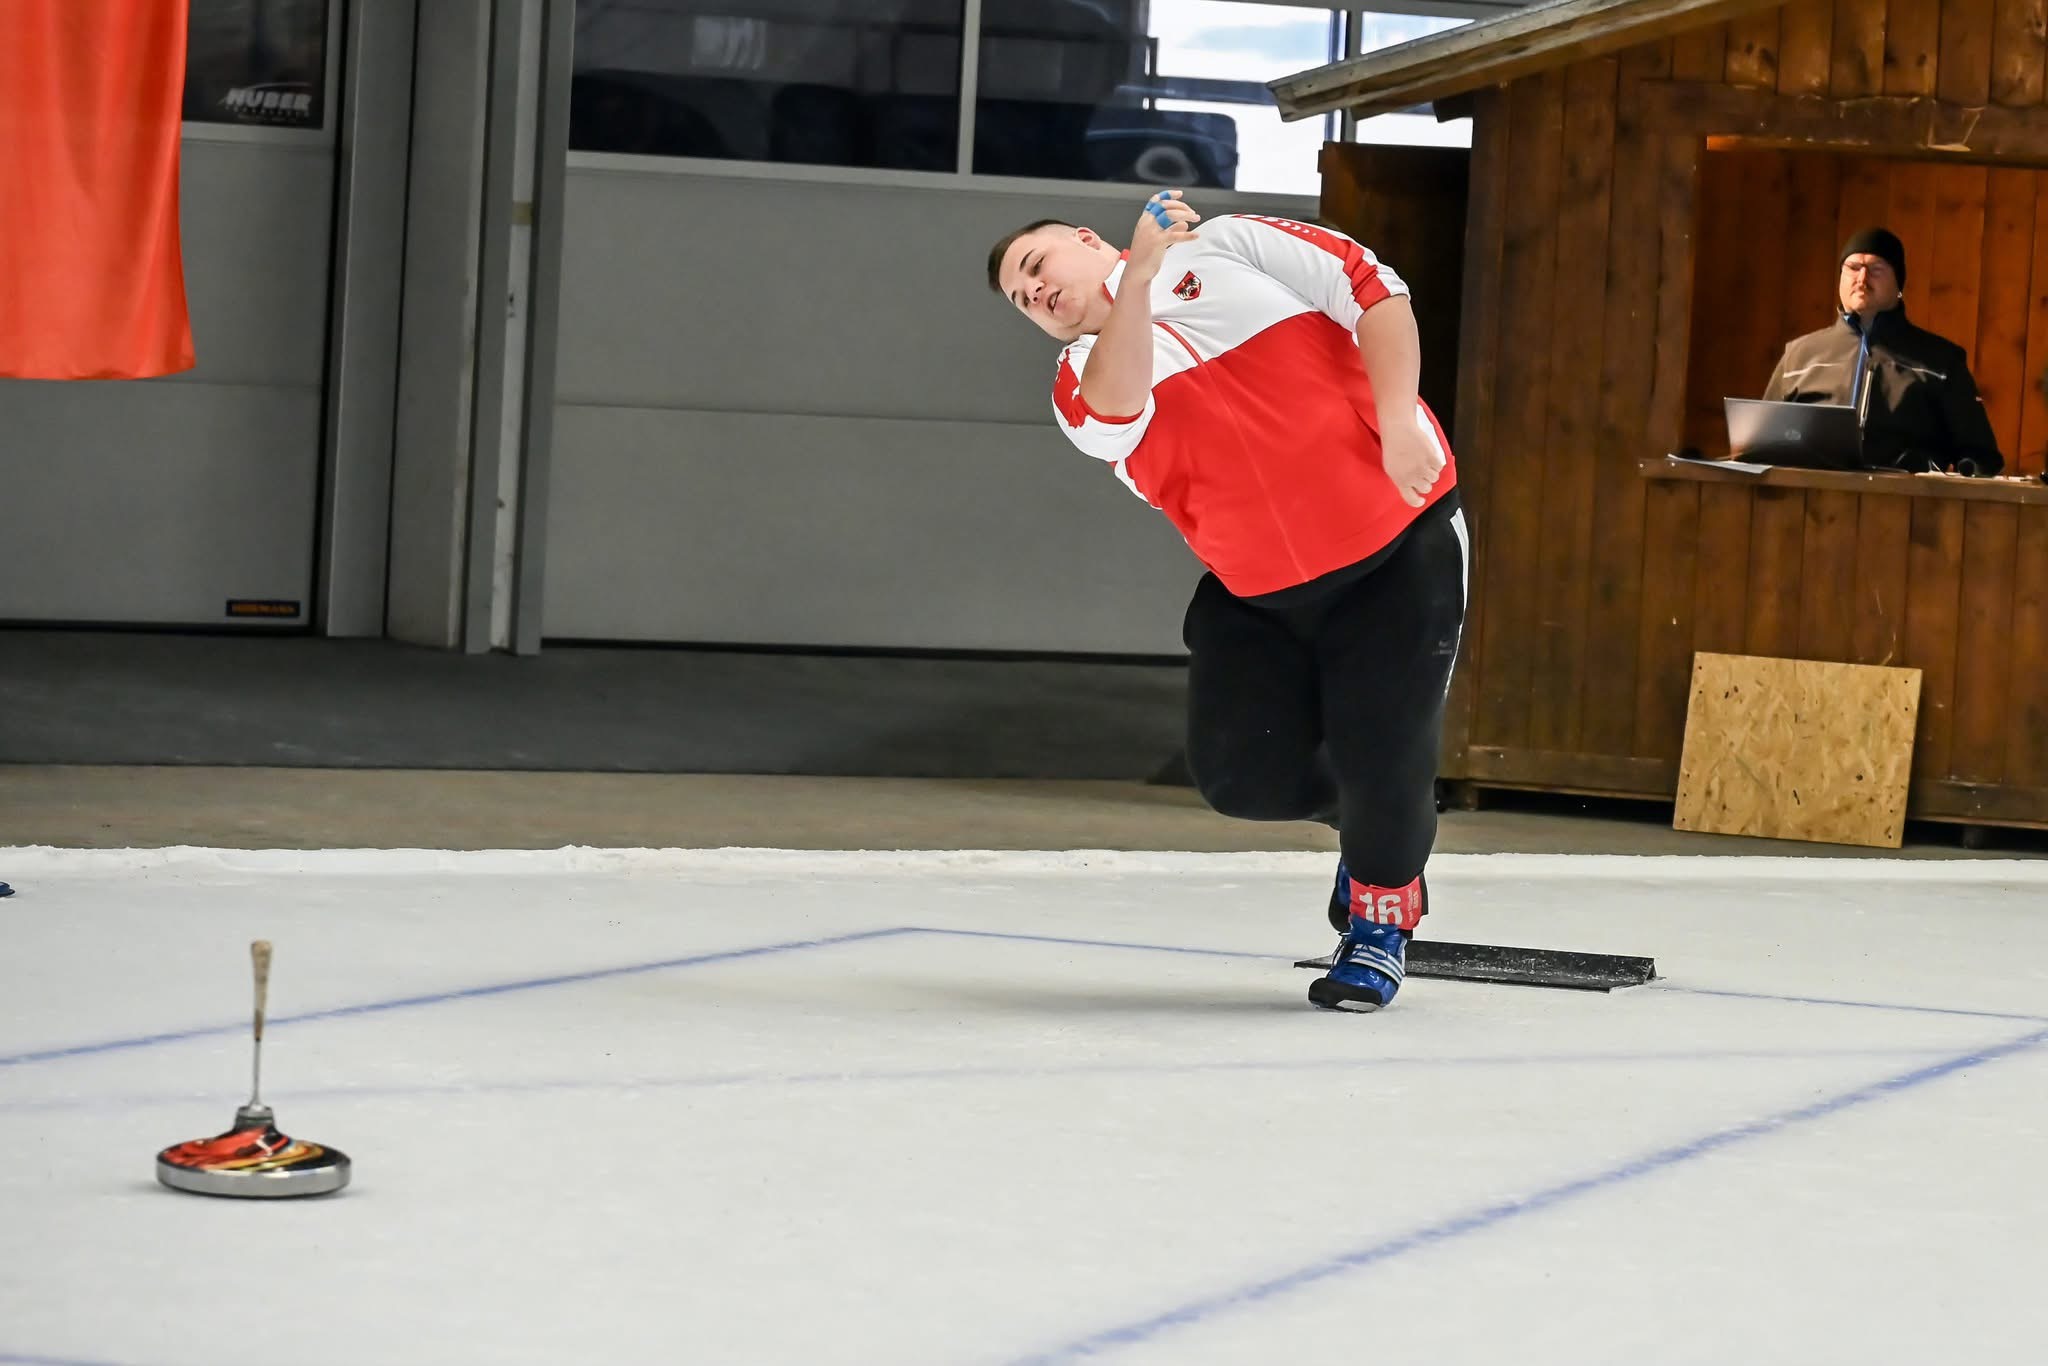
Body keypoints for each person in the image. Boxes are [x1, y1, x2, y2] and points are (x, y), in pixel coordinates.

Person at [986, 191, 1468, 1013]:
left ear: (1083, 238)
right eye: (1023, 302)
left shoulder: (1231, 244)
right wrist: (1133, 284)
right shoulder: (1080, 380)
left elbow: (1376, 291)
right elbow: (1118, 404)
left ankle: (1379, 919)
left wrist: (1394, 417)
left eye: (1037, 268)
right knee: (1241, 781)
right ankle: (1378, 818)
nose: (1038, 295)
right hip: (1259, 596)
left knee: (1384, 760)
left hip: (1400, 547)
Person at [1765, 227, 2003, 475]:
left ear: (1899, 285)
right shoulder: (1798, 355)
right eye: (1853, 268)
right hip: (1806, 502)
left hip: (1908, 506)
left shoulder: (1941, 361)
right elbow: (1762, 444)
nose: (1862, 278)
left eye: (1876, 269)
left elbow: (1981, 457)